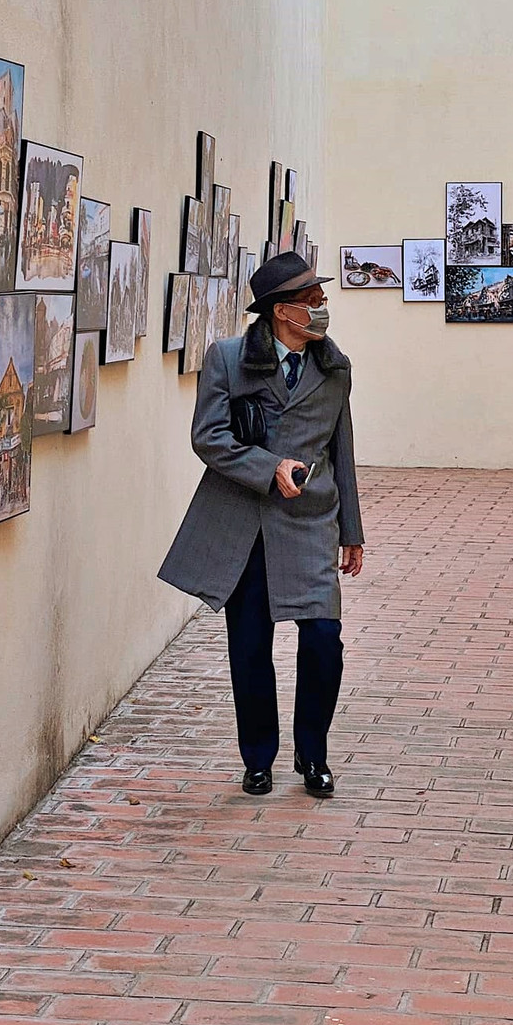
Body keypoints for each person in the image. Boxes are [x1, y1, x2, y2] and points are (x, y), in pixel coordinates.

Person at [159, 250, 364, 797]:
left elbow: (341, 449)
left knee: (324, 639)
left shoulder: (334, 366)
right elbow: (209, 437)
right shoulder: (227, 359)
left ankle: (312, 753)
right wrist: (268, 467)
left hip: (310, 520)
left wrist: (352, 531)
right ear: (281, 311)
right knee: (250, 646)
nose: (321, 307)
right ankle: (259, 757)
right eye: (311, 299)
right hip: (245, 525)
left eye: (320, 297)